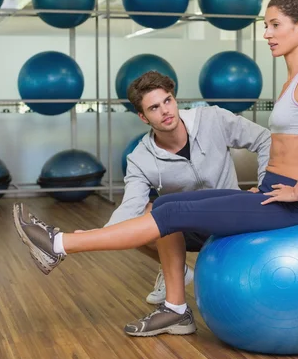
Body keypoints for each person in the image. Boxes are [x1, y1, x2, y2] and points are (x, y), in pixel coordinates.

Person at [12, 0, 298, 338]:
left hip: (293, 203)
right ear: (144, 117)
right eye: (266, 26)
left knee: (171, 214)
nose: (266, 34)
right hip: (272, 191)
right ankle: (176, 311)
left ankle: (59, 245)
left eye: (275, 25)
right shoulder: (292, 80)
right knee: (166, 203)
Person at [104, 70, 272, 305]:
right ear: (143, 117)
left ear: (174, 99)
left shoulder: (212, 119)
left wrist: (265, 186)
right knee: (143, 217)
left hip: (231, 219)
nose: (165, 111)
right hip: (188, 228)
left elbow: (264, 138)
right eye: (154, 108)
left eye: (167, 101)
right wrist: (98, 235)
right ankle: (175, 269)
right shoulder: (140, 158)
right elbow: (130, 208)